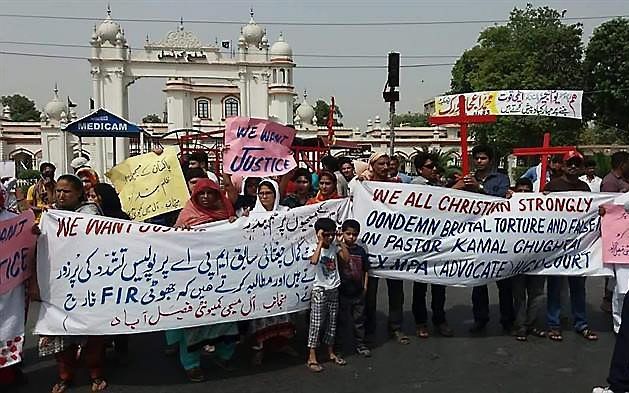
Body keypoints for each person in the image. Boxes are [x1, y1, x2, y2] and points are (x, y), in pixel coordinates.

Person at [36, 175, 106, 393]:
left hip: (87, 283)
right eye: (58, 191)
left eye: (66, 192)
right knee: (59, 330)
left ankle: (96, 374)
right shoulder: (50, 215)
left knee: (91, 333)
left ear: (79, 194)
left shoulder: (90, 214)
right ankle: (65, 376)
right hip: (59, 284)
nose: (60, 195)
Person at [167, 178, 239, 382]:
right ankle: (191, 364)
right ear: (195, 196)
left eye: (211, 193)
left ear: (217, 195)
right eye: (202, 194)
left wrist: (238, 225)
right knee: (194, 323)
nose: (206, 197)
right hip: (194, 280)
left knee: (227, 319)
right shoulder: (187, 215)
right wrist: (181, 235)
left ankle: (225, 356)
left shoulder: (227, 212)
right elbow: (172, 245)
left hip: (223, 277)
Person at [452, 145, 514, 334]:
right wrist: (460, 187)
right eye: (477, 158)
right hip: (476, 236)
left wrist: (478, 189)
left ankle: (507, 320)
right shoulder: (467, 179)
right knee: (479, 281)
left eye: (483, 158)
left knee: (504, 283)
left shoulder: (501, 179)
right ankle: (480, 318)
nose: (479, 161)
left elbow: (501, 199)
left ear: (491, 161)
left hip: (499, 236)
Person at [353, 152, 410, 345]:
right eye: (381, 164)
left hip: (393, 249)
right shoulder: (362, 186)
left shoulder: (398, 186)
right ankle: (368, 330)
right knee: (369, 293)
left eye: (388, 164)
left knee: (396, 291)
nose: (386, 167)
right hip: (370, 248)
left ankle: (396, 326)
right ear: (372, 165)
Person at [544, 150, 598, 342]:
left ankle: (581, 323)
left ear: (581, 167)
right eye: (570, 163)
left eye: (577, 163)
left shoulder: (584, 187)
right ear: (563, 165)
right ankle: (553, 324)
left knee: (578, 287)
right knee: (555, 287)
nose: (573, 166)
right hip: (556, 247)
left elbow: (591, 211)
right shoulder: (553, 186)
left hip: (578, 246)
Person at [248, 179, 299, 365]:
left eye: (268, 193)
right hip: (260, 274)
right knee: (261, 312)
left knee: (283, 310)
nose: (264, 197)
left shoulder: (286, 213)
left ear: (276, 194)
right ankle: (258, 348)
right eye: (261, 193)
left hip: (283, 271)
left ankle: (282, 344)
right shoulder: (251, 217)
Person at [411, 152, 453, 338]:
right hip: (421, 245)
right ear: (420, 169)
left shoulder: (437, 185)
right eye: (430, 166)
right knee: (420, 287)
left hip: (439, 244)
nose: (434, 169)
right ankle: (421, 322)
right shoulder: (418, 186)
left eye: (435, 165)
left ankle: (439, 319)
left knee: (439, 285)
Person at [306, 217, 349, 372]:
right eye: (326, 235)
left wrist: (340, 241)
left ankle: (330, 352)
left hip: (334, 289)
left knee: (332, 323)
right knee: (316, 324)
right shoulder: (313, 247)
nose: (329, 238)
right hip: (319, 290)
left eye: (331, 235)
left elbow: (346, 259)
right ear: (319, 234)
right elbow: (314, 261)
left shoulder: (334, 246)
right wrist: (319, 243)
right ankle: (312, 356)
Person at [508, 178, 547, 341]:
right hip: (517, 260)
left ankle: (532, 323)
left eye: (527, 191)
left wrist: (549, 200)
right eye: (520, 191)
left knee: (537, 293)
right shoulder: (508, 206)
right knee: (519, 294)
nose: (523, 194)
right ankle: (521, 325)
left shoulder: (542, 208)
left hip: (537, 259)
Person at [0, 183, 29, 388]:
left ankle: (8, 371)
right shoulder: (12, 220)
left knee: (7, 326)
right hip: (11, 287)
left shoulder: (13, 222)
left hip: (10, 286)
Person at [336, 219, 371, 357]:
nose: (351, 237)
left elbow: (366, 270)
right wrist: (339, 242)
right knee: (342, 321)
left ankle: (360, 344)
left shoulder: (360, 251)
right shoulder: (338, 250)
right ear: (342, 233)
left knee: (359, 321)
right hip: (343, 292)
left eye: (354, 234)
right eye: (348, 234)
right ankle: (339, 347)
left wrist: (365, 287)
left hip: (358, 292)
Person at [600, 152, 629, 316]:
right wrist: (606, 212)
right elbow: (611, 207)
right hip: (620, 245)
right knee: (621, 287)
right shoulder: (610, 182)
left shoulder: (624, 182)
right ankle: (619, 325)